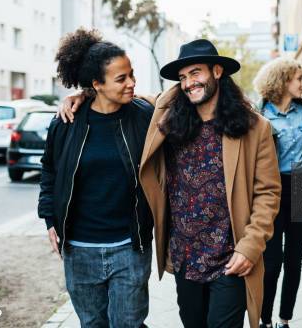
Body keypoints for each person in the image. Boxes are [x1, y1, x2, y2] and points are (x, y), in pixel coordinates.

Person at [61, 38, 282, 328]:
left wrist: (250, 247)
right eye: (183, 77)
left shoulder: (255, 127)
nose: (189, 83)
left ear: (217, 71)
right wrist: (84, 95)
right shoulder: (167, 117)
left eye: (195, 73)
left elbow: (268, 193)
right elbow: (119, 96)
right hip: (185, 256)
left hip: (231, 257)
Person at [38, 29, 154, 328]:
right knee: (92, 324)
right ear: (96, 84)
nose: (131, 83)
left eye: (131, 74)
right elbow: (50, 170)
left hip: (130, 246)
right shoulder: (66, 122)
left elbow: (177, 102)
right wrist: (49, 218)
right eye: (121, 79)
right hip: (79, 250)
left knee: (128, 324)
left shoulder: (143, 116)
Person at [252, 57, 302, 328]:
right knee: (271, 262)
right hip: (270, 192)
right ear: (282, 81)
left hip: (301, 188)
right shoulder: (259, 115)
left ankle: (285, 319)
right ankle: (264, 319)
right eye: (298, 78)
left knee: (294, 260)